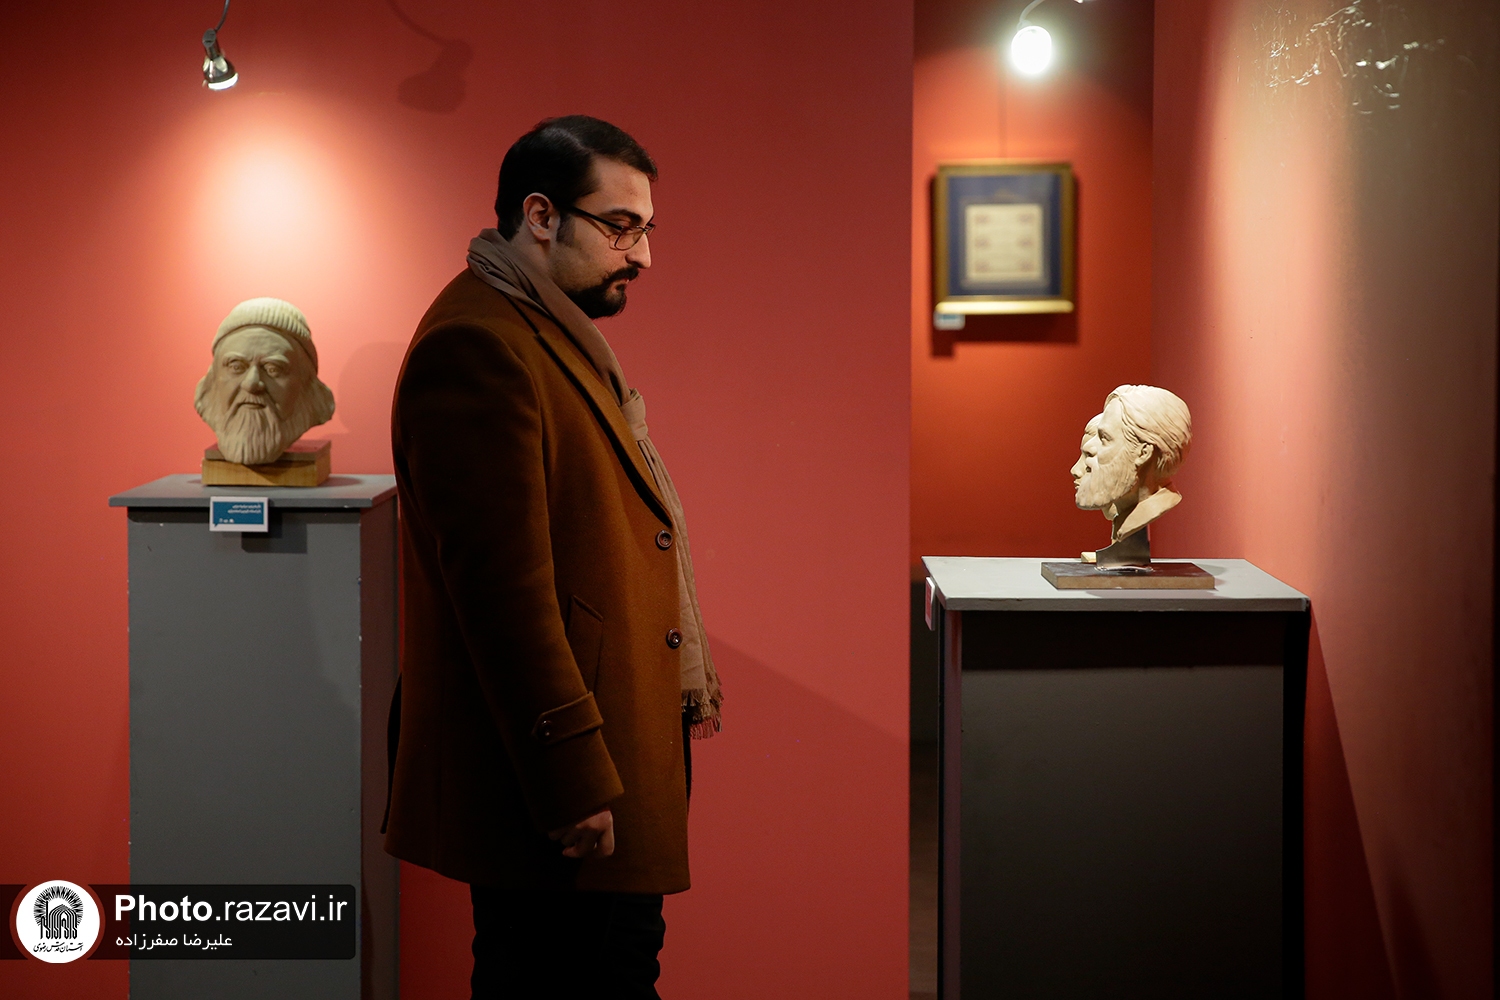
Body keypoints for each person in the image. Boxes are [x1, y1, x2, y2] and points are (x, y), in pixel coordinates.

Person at [383, 115, 721, 999]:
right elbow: (503, 597)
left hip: (600, 758)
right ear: (540, 215)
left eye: (646, 228)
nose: (643, 256)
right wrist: (571, 779)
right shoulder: (476, 345)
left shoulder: (540, 326)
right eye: (621, 227)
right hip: (559, 782)